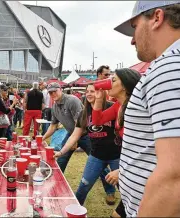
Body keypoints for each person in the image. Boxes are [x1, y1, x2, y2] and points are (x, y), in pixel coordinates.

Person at [114, 1, 180, 216]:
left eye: (134, 27)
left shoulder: (169, 68)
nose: (133, 39)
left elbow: (174, 176)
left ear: (157, 18)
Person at [54, 84, 120, 206]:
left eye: (93, 91)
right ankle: (75, 212)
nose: (89, 94)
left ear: (100, 93)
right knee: (83, 187)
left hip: (116, 155)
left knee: (126, 189)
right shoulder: (83, 113)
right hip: (96, 156)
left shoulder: (111, 108)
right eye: (87, 91)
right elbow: (75, 135)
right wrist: (61, 152)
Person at [92, 68, 141, 217]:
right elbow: (97, 121)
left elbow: (144, 148)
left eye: (113, 80)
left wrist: (122, 171)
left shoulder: (136, 109)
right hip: (130, 167)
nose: (108, 83)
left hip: (139, 171)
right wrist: (99, 99)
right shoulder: (117, 106)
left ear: (125, 85)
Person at [42, 83, 84, 172]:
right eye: (50, 93)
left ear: (60, 89)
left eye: (55, 91)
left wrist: (75, 140)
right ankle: (57, 181)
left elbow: (79, 123)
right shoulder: (54, 107)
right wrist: (42, 138)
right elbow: (53, 126)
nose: (53, 94)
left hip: (87, 134)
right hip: (71, 134)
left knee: (97, 162)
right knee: (61, 159)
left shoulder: (72, 100)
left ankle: (112, 182)